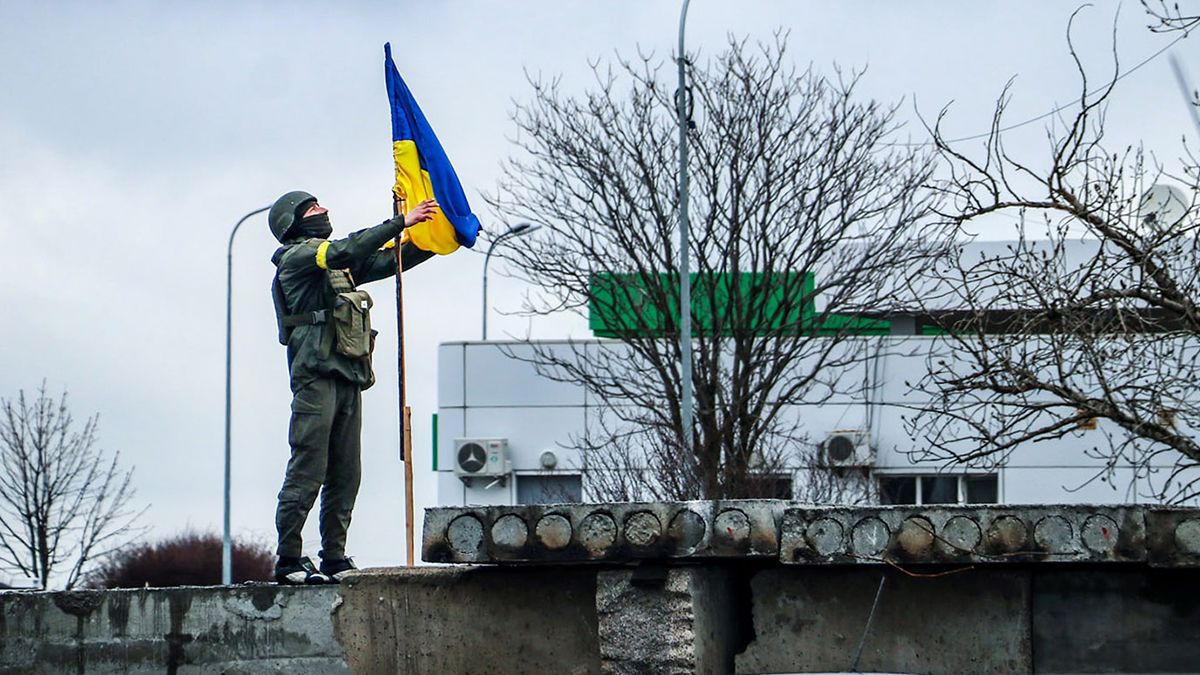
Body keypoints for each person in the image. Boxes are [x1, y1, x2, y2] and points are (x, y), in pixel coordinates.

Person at [267, 190, 437, 584]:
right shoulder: (301, 258)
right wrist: (400, 222)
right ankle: (289, 559)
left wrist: (440, 239)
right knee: (309, 468)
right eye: (312, 208)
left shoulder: (333, 266)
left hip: (347, 376)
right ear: (292, 223)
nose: (323, 210)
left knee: (347, 473)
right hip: (316, 379)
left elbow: (385, 261)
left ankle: (334, 556)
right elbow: (346, 250)